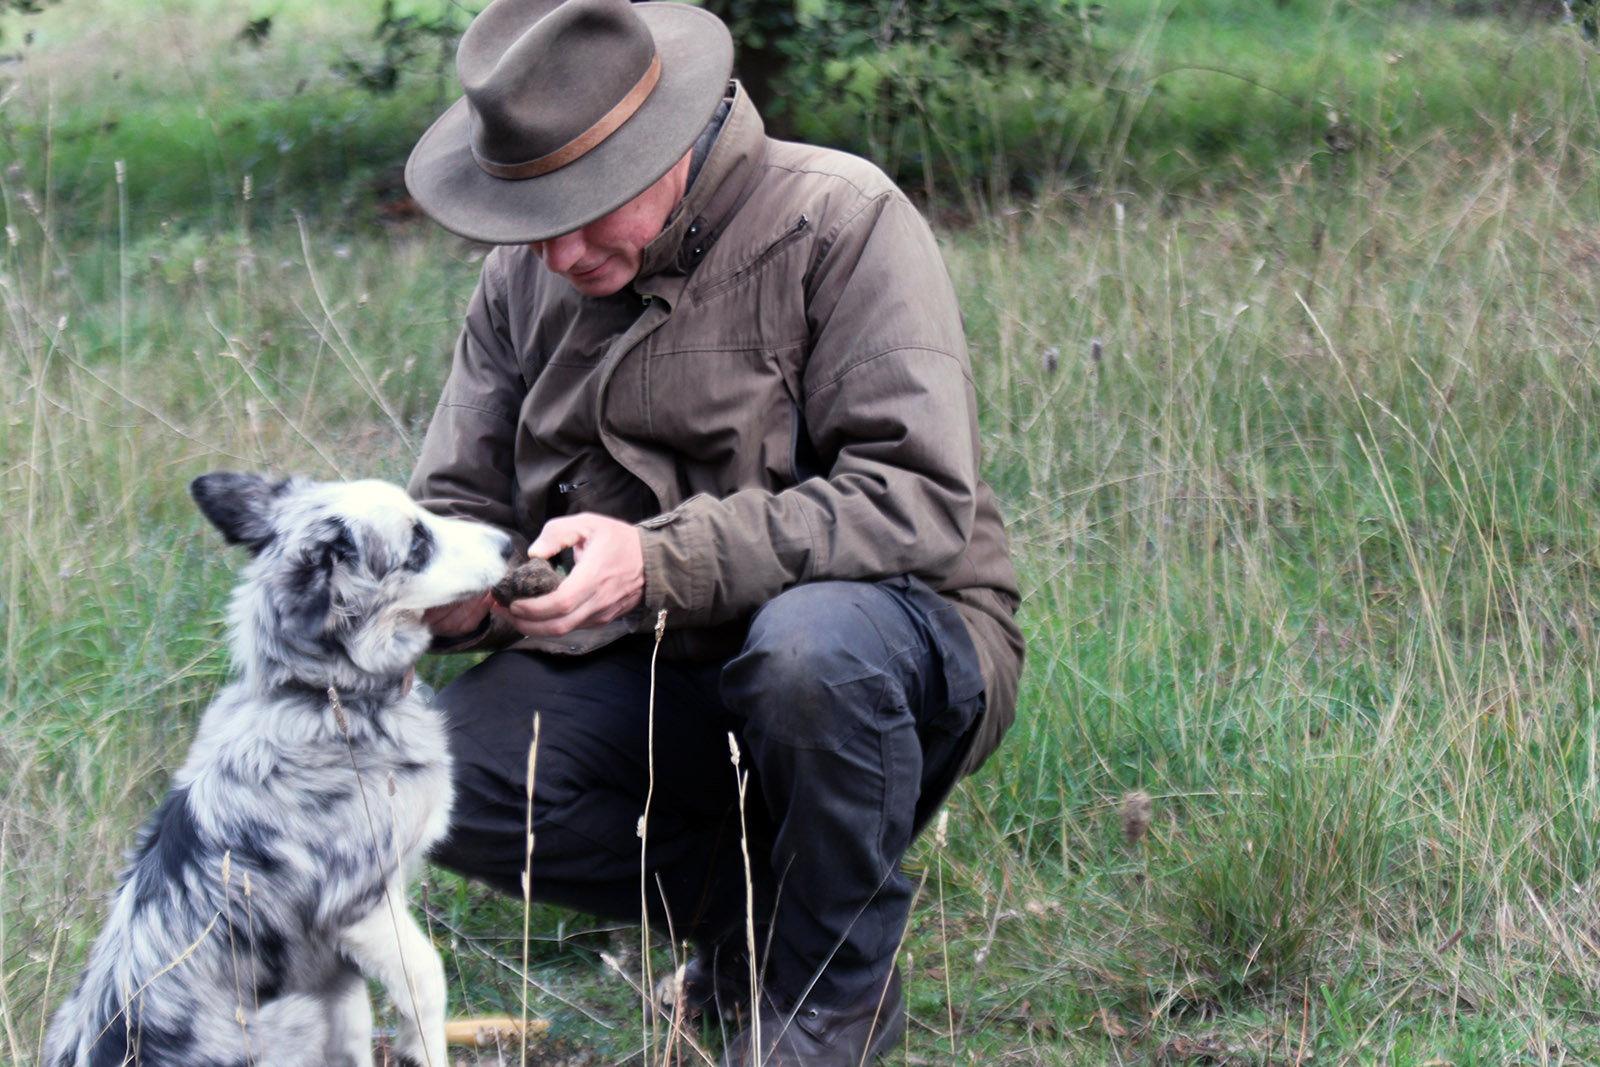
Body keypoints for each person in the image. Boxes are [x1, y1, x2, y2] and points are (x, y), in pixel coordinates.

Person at [402, 0, 1025, 1063]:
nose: (556, 253)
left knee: (805, 654)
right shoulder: (522, 276)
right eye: (529, 216)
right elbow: (460, 497)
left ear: (669, 147)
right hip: (646, 671)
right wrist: (451, 591)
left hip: (886, 650)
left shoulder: (841, 219)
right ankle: (764, 922)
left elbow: (915, 498)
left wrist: (654, 562)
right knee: (429, 771)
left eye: (585, 208)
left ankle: (832, 997)